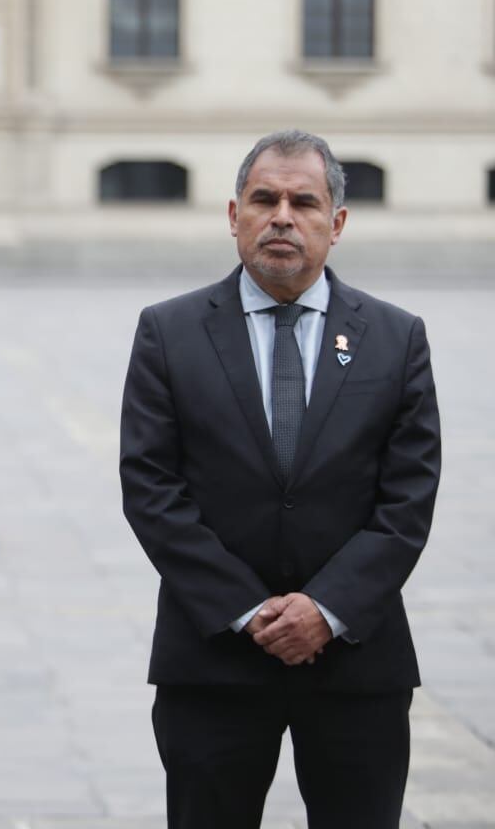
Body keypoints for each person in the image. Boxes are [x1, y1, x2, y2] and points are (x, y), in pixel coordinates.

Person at [119, 129, 441, 828]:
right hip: (214, 660)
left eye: (304, 202)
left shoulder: (396, 336)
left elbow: (408, 500)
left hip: (357, 662)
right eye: (264, 199)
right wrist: (249, 610)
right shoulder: (168, 332)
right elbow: (151, 487)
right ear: (234, 216)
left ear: (338, 223)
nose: (283, 217)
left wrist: (324, 611)